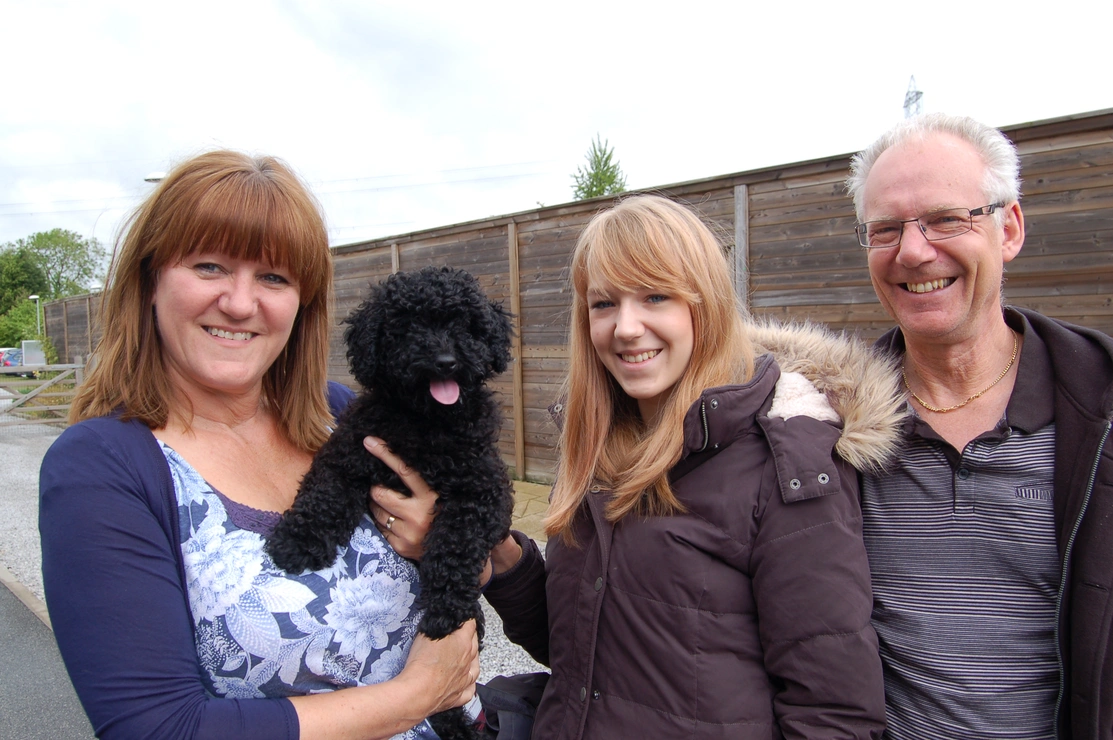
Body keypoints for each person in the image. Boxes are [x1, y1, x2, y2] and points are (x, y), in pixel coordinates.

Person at [369, 194, 905, 739]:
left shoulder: (785, 463)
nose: (626, 327)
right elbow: (582, 650)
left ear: (705, 304)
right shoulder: (597, 449)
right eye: (604, 304)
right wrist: (498, 556)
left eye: (655, 296)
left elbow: (836, 716)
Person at [39, 150, 480, 740]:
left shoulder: (339, 414)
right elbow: (157, 729)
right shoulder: (102, 468)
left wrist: (454, 543)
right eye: (209, 267)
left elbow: (474, 532)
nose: (241, 303)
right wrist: (416, 695)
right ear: (150, 279)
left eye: (273, 278)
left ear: (302, 303)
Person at [846, 113, 1113, 739]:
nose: (913, 251)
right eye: (885, 229)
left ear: (1009, 228)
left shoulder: (1100, 409)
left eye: (945, 218)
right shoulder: (830, 426)